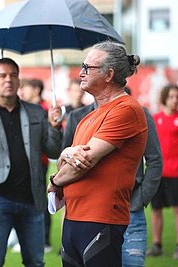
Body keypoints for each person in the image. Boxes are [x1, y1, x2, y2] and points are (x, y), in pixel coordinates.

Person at [48, 41, 147, 266]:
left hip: (101, 219)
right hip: (74, 219)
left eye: (88, 67)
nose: (81, 72)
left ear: (109, 74)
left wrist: (55, 181)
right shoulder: (86, 117)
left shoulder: (126, 109)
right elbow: (66, 164)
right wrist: (65, 154)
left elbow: (83, 162)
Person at [0, 57, 63, 267]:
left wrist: (55, 127)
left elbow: (53, 150)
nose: (8, 80)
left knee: (36, 262)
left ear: (19, 81)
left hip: (32, 199)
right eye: (2, 75)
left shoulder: (37, 112)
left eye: (13, 75)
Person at [63, 87, 162, 267]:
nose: (83, 73)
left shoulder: (138, 112)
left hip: (129, 207)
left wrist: (140, 199)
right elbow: (63, 160)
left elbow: (155, 160)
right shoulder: (77, 116)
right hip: (85, 212)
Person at [18, 78, 52, 253]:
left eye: (27, 88)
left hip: (40, 161)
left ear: (37, 90)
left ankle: (44, 239)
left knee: (39, 198)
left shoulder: (45, 110)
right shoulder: (24, 109)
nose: (23, 91)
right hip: (26, 162)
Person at [147, 84, 178, 260]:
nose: (174, 100)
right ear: (165, 98)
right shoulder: (156, 119)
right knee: (156, 210)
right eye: (171, 96)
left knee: (177, 211)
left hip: (176, 173)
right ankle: (157, 244)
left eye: (177, 97)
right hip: (158, 173)